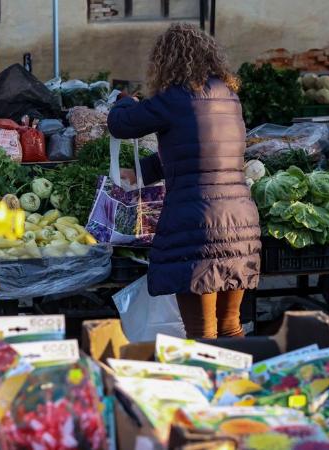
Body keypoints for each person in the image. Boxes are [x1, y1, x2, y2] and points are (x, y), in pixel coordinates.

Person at [107, 23, 261, 339]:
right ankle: (241, 388)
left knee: (201, 333)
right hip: (241, 223)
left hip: (198, 225)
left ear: (165, 62)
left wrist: (124, 100)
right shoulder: (229, 97)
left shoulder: (174, 98)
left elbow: (120, 124)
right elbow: (202, 153)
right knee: (231, 327)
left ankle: (207, 388)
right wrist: (145, 172)